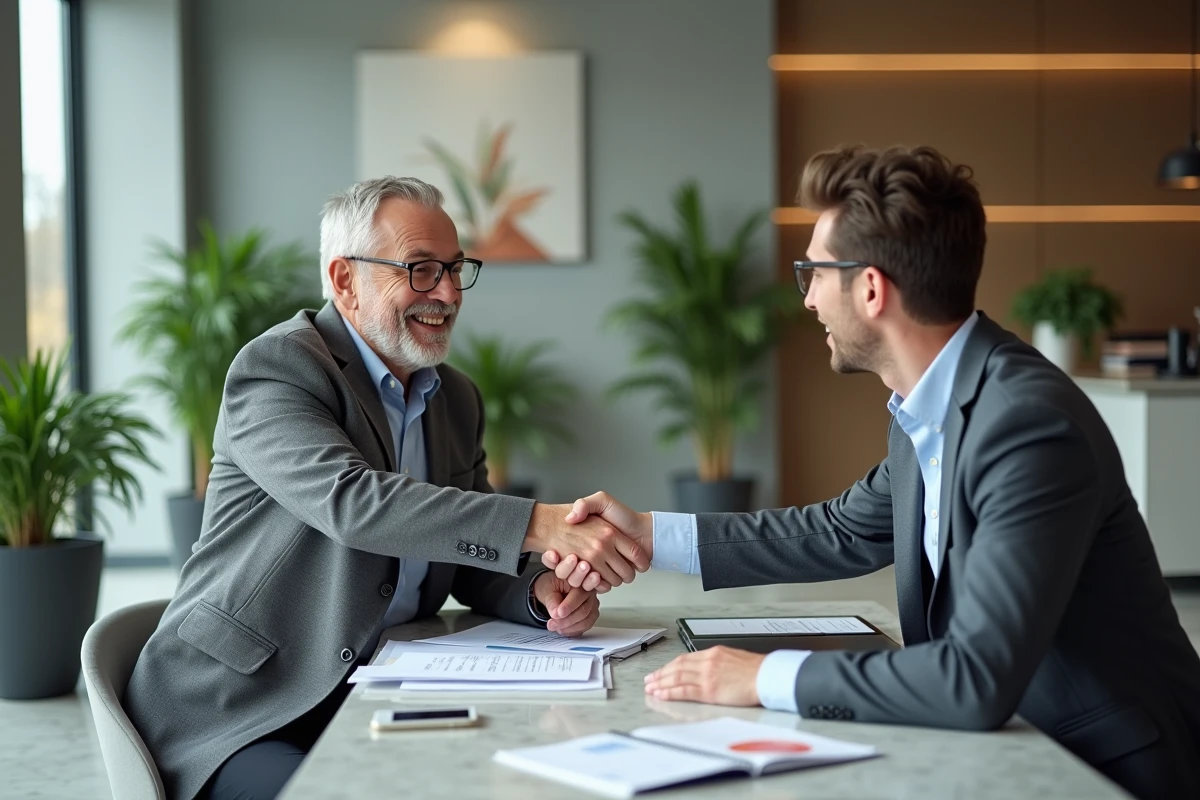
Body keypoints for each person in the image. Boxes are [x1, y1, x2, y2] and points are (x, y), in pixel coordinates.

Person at [544, 145, 1200, 799]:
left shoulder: (1027, 425)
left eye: (814, 273)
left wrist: (763, 677)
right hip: (1009, 748)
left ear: (870, 287)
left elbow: (974, 679)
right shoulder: (935, 401)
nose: (806, 299)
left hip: (1101, 768)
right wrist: (647, 535)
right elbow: (841, 530)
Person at [124, 177, 649, 800]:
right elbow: (353, 503)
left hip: (378, 687)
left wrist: (540, 592)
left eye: (456, 269)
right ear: (345, 280)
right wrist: (543, 522)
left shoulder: (454, 396)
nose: (448, 293)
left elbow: (467, 559)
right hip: (243, 707)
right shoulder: (279, 370)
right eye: (421, 269)